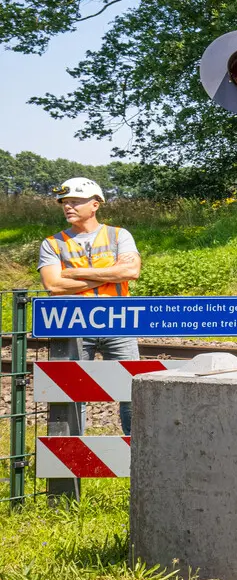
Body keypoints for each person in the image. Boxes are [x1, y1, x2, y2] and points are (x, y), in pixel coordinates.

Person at [38, 177, 142, 434]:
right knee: (72, 391)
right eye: (65, 202)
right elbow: (53, 286)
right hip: (74, 324)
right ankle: (71, 457)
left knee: (131, 389)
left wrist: (74, 273)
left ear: (95, 205)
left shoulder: (118, 235)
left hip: (118, 321)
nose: (68, 207)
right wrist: (108, 273)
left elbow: (131, 271)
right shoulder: (52, 243)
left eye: (75, 201)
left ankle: (136, 450)